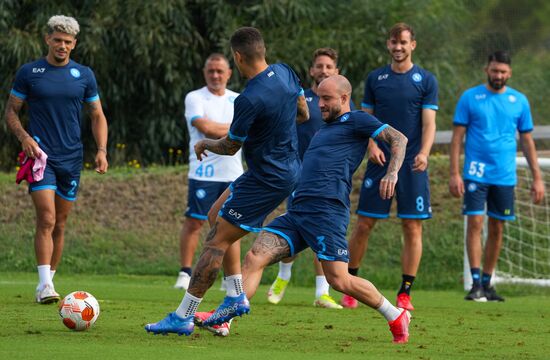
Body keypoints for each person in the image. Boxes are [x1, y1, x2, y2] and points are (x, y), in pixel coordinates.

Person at [204, 75, 411, 343]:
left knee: (339, 280)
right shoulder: (323, 130)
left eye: (327, 99)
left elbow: (399, 139)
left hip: (327, 212)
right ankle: (224, 320)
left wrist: (392, 173)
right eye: (320, 98)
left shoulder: (358, 120)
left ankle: (396, 314)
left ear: (345, 98)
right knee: (255, 256)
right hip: (298, 211)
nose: (320, 104)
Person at [145, 26, 309, 336]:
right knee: (213, 216)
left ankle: (183, 316)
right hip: (280, 169)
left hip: (267, 177)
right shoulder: (286, 72)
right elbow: (303, 113)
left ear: (237, 56)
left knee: (216, 242)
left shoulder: (248, 99)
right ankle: (236, 295)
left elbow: (231, 146)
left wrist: (205, 143)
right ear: (262, 49)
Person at [4, 15, 108, 304]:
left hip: (72, 159)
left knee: (60, 223)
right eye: (57, 40)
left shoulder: (84, 75)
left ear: (74, 44)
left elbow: (97, 115)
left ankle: (49, 280)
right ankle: (45, 285)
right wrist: (24, 138)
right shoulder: (30, 72)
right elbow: (11, 111)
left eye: (68, 42)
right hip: (41, 157)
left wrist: (101, 150)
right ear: (47, 39)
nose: (62, 45)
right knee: (46, 218)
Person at [343, 23, 438, 310]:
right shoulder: (376, 78)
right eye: (394, 42)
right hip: (380, 162)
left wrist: (424, 152)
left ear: (413, 45)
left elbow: (429, 123)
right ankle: (350, 285)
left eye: (404, 42)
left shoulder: (426, 80)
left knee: (411, 226)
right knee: (364, 224)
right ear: (388, 45)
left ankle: (405, 292)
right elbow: (365, 119)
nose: (398, 47)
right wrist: (371, 146)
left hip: (412, 165)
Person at [449, 50, 545, 302]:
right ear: (487, 70)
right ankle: (475, 282)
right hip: (475, 172)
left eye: (503, 72)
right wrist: (454, 172)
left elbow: (527, 140)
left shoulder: (519, 101)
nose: (498, 75)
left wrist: (537, 177)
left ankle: (488, 284)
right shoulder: (470, 98)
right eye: (494, 70)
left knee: (497, 227)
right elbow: (457, 138)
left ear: (509, 73)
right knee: (475, 223)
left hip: (504, 175)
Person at [267, 47, 348, 309]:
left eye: (329, 66)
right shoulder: (302, 101)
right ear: (312, 70)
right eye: (319, 66)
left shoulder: (343, 106)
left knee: (322, 235)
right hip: (300, 177)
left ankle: (322, 292)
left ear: (336, 71)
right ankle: (283, 277)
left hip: (329, 182)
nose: (323, 70)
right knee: (296, 228)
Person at [173, 53, 244, 290]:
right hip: (203, 171)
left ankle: (229, 277)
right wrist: (235, 129)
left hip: (232, 172)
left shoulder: (238, 99)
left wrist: (234, 130)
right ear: (205, 73)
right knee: (194, 222)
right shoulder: (195, 97)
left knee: (231, 224)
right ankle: (185, 272)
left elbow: (245, 130)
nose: (215, 75)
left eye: (220, 71)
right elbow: (205, 128)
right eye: (211, 71)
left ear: (229, 74)